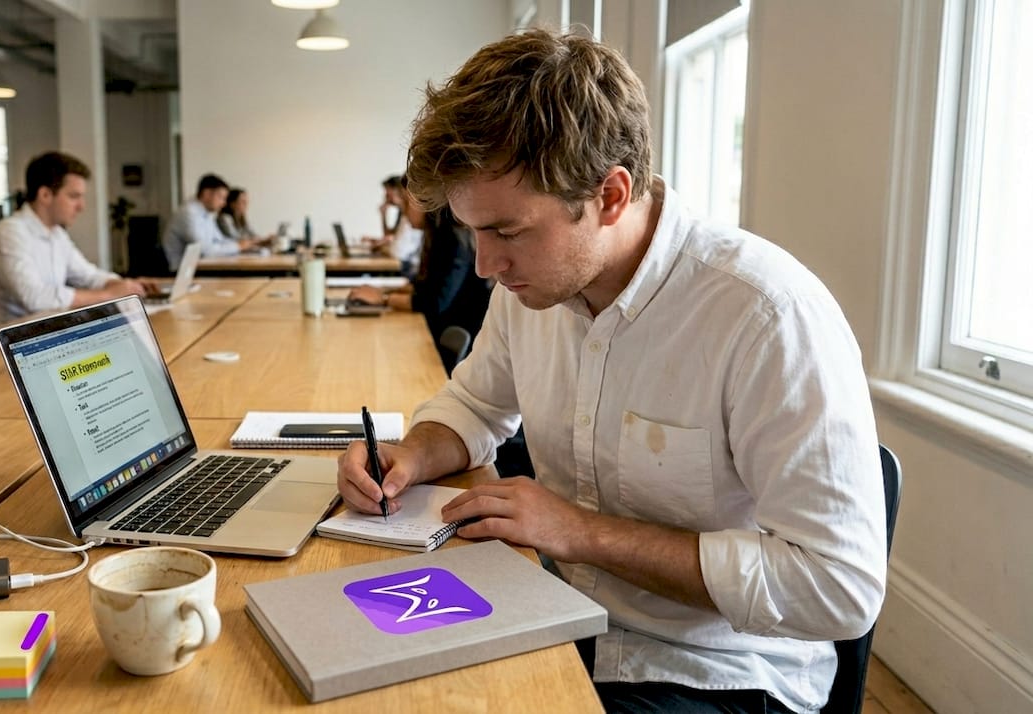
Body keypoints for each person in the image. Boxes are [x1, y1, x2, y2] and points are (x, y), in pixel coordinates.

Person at [336, 29, 885, 714]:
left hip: (717, 671)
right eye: (472, 231)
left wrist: (579, 532)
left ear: (612, 195)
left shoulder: (766, 317)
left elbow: (838, 587)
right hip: (558, 614)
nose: (484, 267)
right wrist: (410, 455)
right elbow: (476, 407)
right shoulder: (531, 289)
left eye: (506, 232)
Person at [0, 152, 150, 331]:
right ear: (45, 195)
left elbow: (88, 275)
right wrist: (107, 294)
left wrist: (122, 285)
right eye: (74, 196)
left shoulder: (57, 234)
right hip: (0, 346)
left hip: (42, 335)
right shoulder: (10, 233)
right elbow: (35, 298)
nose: (81, 206)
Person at [347, 201, 490, 370]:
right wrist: (383, 293)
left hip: (448, 343)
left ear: (425, 201)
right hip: (441, 332)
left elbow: (433, 303)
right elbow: (423, 286)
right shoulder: (437, 234)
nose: (404, 211)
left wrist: (384, 299)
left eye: (407, 203)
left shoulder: (451, 237)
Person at [163, 174, 257, 268]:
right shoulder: (188, 213)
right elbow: (204, 250)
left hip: (198, 267)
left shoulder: (207, 214)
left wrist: (241, 245)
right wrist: (238, 246)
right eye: (221, 197)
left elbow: (219, 240)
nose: (224, 203)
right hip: (179, 272)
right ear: (207, 194)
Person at [364, 175, 423, 278]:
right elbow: (391, 236)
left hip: (408, 268)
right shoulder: (403, 213)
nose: (386, 197)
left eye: (388, 193)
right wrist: (383, 216)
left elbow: (397, 249)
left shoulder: (408, 215)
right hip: (406, 265)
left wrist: (386, 245)